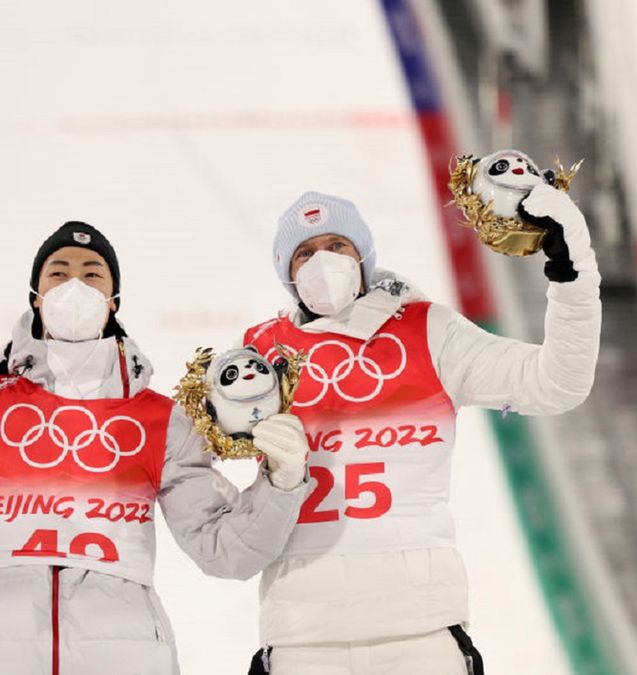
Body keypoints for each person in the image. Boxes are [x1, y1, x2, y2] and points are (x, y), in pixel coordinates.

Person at [0, 221, 310, 675]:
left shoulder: (159, 420)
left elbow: (224, 551)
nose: (74, 284)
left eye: (93, 274)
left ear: (114, 300)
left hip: (128, 657)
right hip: (0, 657)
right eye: (58, 273)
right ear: (35, 296)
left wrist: (282, 481)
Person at [242, 190, 601, 674]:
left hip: (421, 635)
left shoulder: (428, 330)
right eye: (304, 253)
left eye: (337, 245)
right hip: (303, 641)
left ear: (364, 256)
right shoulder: (260, 354)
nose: (322, 262)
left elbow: (556, 384)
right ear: (287, 273)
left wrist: (571, 271)